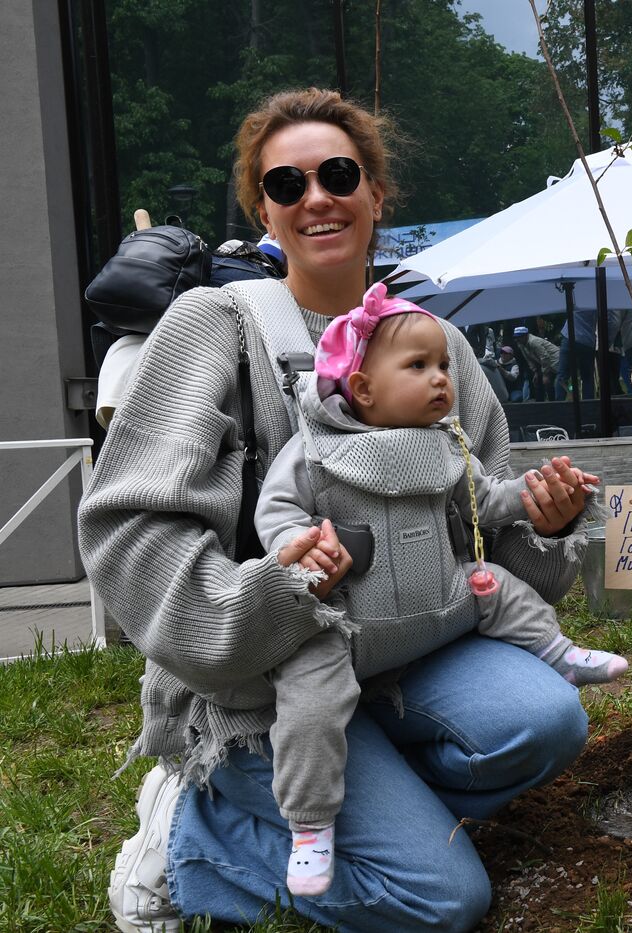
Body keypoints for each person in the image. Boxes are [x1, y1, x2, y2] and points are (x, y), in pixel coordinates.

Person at [80, 88, 596, 932]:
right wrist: (261, 591)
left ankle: (372, 790)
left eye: (339, 174)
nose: (315, 196)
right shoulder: (214, 325)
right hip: (270, 682)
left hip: (412, 650)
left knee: (544, 722)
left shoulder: (437, 346)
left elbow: (493, 541)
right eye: (287, 185)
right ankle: (191, 837)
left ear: (376, 195)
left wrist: (546, 522)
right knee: (442, 901)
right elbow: (132, 529)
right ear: (264, 212)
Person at [252, 285, 627, 896]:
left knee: (497, 585)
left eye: (445, 366)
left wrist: (537, 498)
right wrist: (298, 543)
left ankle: (558, 653)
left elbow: (487, 500)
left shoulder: (447, 442)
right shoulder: (314, 450)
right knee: (309, 700)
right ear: (364, 389)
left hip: (442, 596)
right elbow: (277, 511)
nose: (440, 379)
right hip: (349, 624)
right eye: (418, 367)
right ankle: (310, 825)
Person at [555, 308, 598, 401]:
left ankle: (558, 407)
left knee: (562, 376)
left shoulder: (575, 296)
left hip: (570, 337)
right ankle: (589, 407)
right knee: (587, 378)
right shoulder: (595, 300)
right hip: (587, 341)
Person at [515, 324, 560, 401]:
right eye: (516, 337)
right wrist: (535, 371)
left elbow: (545, 357)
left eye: (519, 337)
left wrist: (545, 374)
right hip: (544, 362)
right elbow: (529, 360)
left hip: (555, 360)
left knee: (551, 382)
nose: (517, 339)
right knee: (538, 381)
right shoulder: (521, 345)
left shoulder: (534, 342)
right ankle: (543, 402)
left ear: (525, 335)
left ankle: (555, 401)